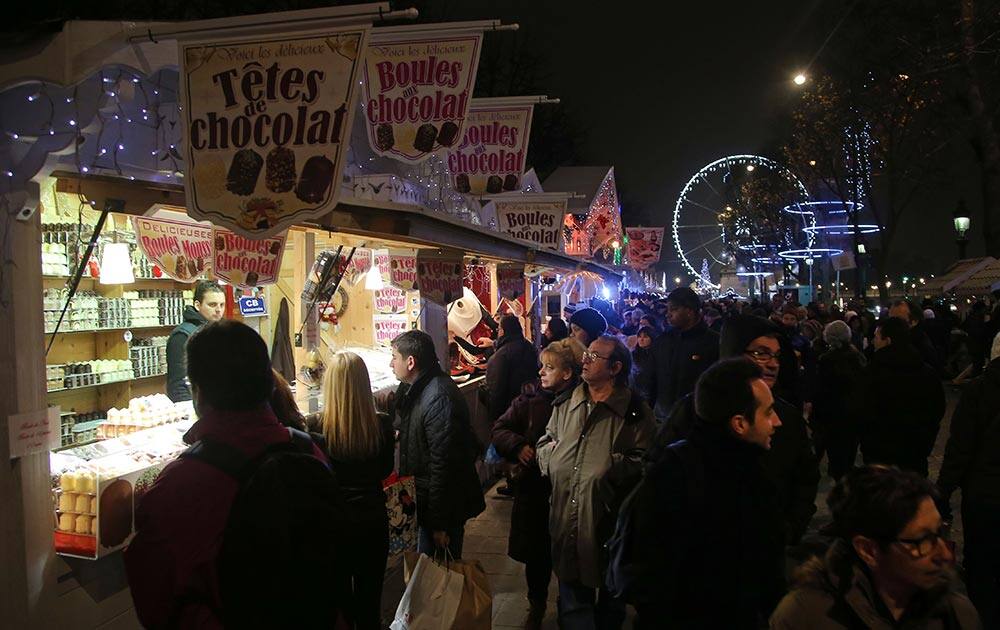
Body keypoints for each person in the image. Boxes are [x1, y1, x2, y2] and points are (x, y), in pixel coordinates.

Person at [125, 321, 333, 628]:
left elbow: (156, 603)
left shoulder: (182, 486)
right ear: (268, 382)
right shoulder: (308, 451)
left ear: (198, 392)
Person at [633, 359, 786, 629]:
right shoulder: (690, 477)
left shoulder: (748, 471)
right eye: (768, 412)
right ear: (739, 423)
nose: (777, 421)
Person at [537, 335, 655, 630]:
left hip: (609, 525)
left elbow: (648, 462)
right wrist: (551, 460)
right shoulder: (567, 402)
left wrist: (611, 466)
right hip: (566, 519)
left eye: (594, 357)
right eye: (586, 354)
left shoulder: (635, 411)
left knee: (610, 607)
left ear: (615, 368)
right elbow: (545, 441)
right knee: (573, 605)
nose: (585, 361)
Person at [770, 466, 980, 629]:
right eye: (922, 541)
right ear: (868, 550)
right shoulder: (805, 617)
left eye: (939, 533)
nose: (944, 554)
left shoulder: (957, 615)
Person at [492, 338, 586, 629]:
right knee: (537, 554)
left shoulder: (583, 400)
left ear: (567, 373)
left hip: (569, 489)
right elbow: (500, 428)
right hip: (534, 487)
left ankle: (569, 607)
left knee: (572, 552)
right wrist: (518, 445)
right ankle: (536, 603)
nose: (541, 373)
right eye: (541, 367)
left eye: (549, 367)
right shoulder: (529, 397)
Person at [390, 330, 485, 558]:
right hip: (428, 504)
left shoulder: (439, 396)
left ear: (410, 362)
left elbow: (443, 465)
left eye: (394, 357)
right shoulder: (418, 388)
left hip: (442, 510)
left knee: (439, 582)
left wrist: (439, 524)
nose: (390, 363)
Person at [320, 352, 395, 630]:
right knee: (369, 601)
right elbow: (385, 469)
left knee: (339, 602)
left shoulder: (317, 427)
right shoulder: (382, 424)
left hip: (334, 522)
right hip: (372, 517)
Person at [937, 331, 1000, 628]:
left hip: (985, 494)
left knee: (982, 565)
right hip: (984, 490)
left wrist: (944, 489)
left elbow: (961, 446)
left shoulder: (979, 390)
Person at [860, 317, 945, 477]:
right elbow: (937, 410)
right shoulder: (927, 373)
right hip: (916, 453)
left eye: (877, 337)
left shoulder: (871, 373)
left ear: (888, 341)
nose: (873, 341)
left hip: (879, 456)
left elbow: (862, 411)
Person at [649, 287, 719, 421]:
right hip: (661, 418)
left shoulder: (713, 342)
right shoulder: (663, 341)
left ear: (689, 311)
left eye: (673, 309)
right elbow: (652, 378)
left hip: (695, 423)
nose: (668, 314)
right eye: (668, 309)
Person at [812, 320, 867, 480]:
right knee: (849, 447)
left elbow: (822, 390)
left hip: (833, 414)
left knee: (835, 449)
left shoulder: (826, 360)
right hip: (853, 412)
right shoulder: (857, 357)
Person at [166, 279, 225, 402]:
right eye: (212, 304)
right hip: (195, 408)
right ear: (198, 305)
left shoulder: (220, 332)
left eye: (222, 305)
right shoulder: (182, 336)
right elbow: (178, 384)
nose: (219, 310)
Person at [485, 315, 539, 424]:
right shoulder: (528, 346)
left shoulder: (501, 355)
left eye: (499, 329)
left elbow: (496, 390)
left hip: (509, 410)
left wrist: (495, 419)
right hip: (528, 404)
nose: (498, 332)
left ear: (503, 331)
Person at [890, 298, 944, 376]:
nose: (891, 324)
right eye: (890, 319)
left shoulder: (919, 348)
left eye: (898, 320)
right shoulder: (895, 341)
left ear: (914, 321)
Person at [630, 325, 658, 407]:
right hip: (636, 390)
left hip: (651, 391)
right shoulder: (634, 354)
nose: (641, 339)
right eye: (639, 336)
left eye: (645, 337)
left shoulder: (657, 355)